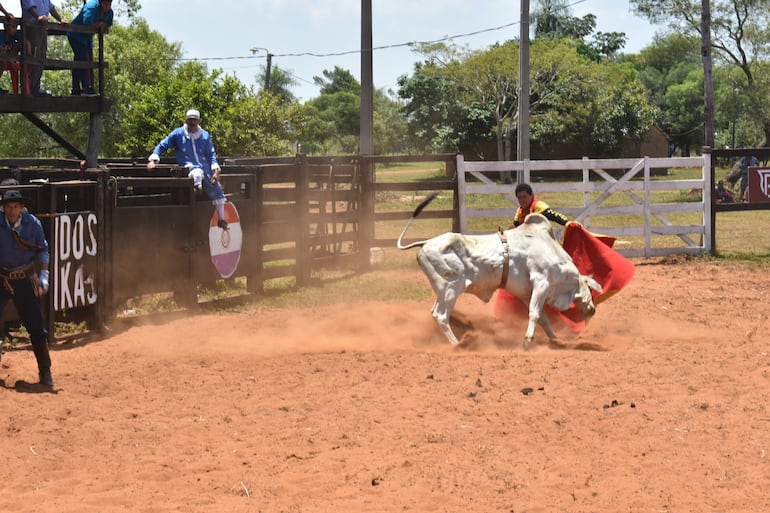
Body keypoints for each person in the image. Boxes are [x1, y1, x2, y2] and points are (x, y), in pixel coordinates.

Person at [0, 189, 53, 388]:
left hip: (25, 277)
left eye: (15, 207)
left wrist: (44, 274)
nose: (11, 211)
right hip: (2, 277)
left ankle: (45, 370)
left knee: (36, 326)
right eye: (8, 207)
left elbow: (43, 248)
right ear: (3, 207)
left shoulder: (33, 224)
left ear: (21, 207)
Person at [147, 109, 229, 230]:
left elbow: (211, 154)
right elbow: (162, 145)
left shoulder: (205, 136)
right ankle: (197, 188)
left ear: (199, 121)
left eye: (194, 120)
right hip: (188, 166)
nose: (192, 122)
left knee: (217, 191)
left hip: (205, 168)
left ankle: (222, 219)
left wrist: (216, 171)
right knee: (196, 173)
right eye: (189, 119)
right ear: (186, 120)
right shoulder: (178, 134)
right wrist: (153, 160)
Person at [20, 0, 68, 96]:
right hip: (32, 26)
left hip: (42, 27)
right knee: (32, 56)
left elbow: (51, 7)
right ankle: (28, 88)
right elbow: (28, 6)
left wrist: (60, 19)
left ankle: (35, 87)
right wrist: (38, 17)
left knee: (41, 57)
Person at [66, 0, 112, 96]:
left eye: (109, 4)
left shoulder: (110, 12)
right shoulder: (91, 6)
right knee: (83, 59)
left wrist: (99, 24)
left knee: (78, 61)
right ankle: (86, 87)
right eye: (105, 4)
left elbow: (108, 24)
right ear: (100, 2)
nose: (107, 6)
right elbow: (87, 23)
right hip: (76, 35)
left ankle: (75, 89)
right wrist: (100, 24)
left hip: (87, 39)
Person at [0, 18, 25, 94]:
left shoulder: (14, 36)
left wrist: (29, 52)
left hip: (8, 58)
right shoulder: (1, 35)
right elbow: (2, 52)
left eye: (16, 27)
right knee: (2, 62)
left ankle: (17, 91)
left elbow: (25, 42)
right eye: (13, 27)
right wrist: (11, 62)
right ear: (6, 27)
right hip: (2, 59)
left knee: (17, 45)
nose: (15, 29)